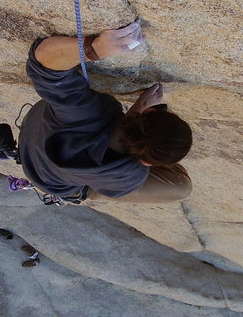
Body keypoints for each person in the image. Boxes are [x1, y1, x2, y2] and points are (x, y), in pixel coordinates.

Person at [15, 19, 193, 204]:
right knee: (178, 185)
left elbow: (43, 64)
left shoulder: (84, 113)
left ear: (150, 112)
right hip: (43, 165)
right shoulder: (129, 177)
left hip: (41, 141)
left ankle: (83, 190)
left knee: (180, 186)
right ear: (146, 162)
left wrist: (95, 48)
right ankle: (83, 190)